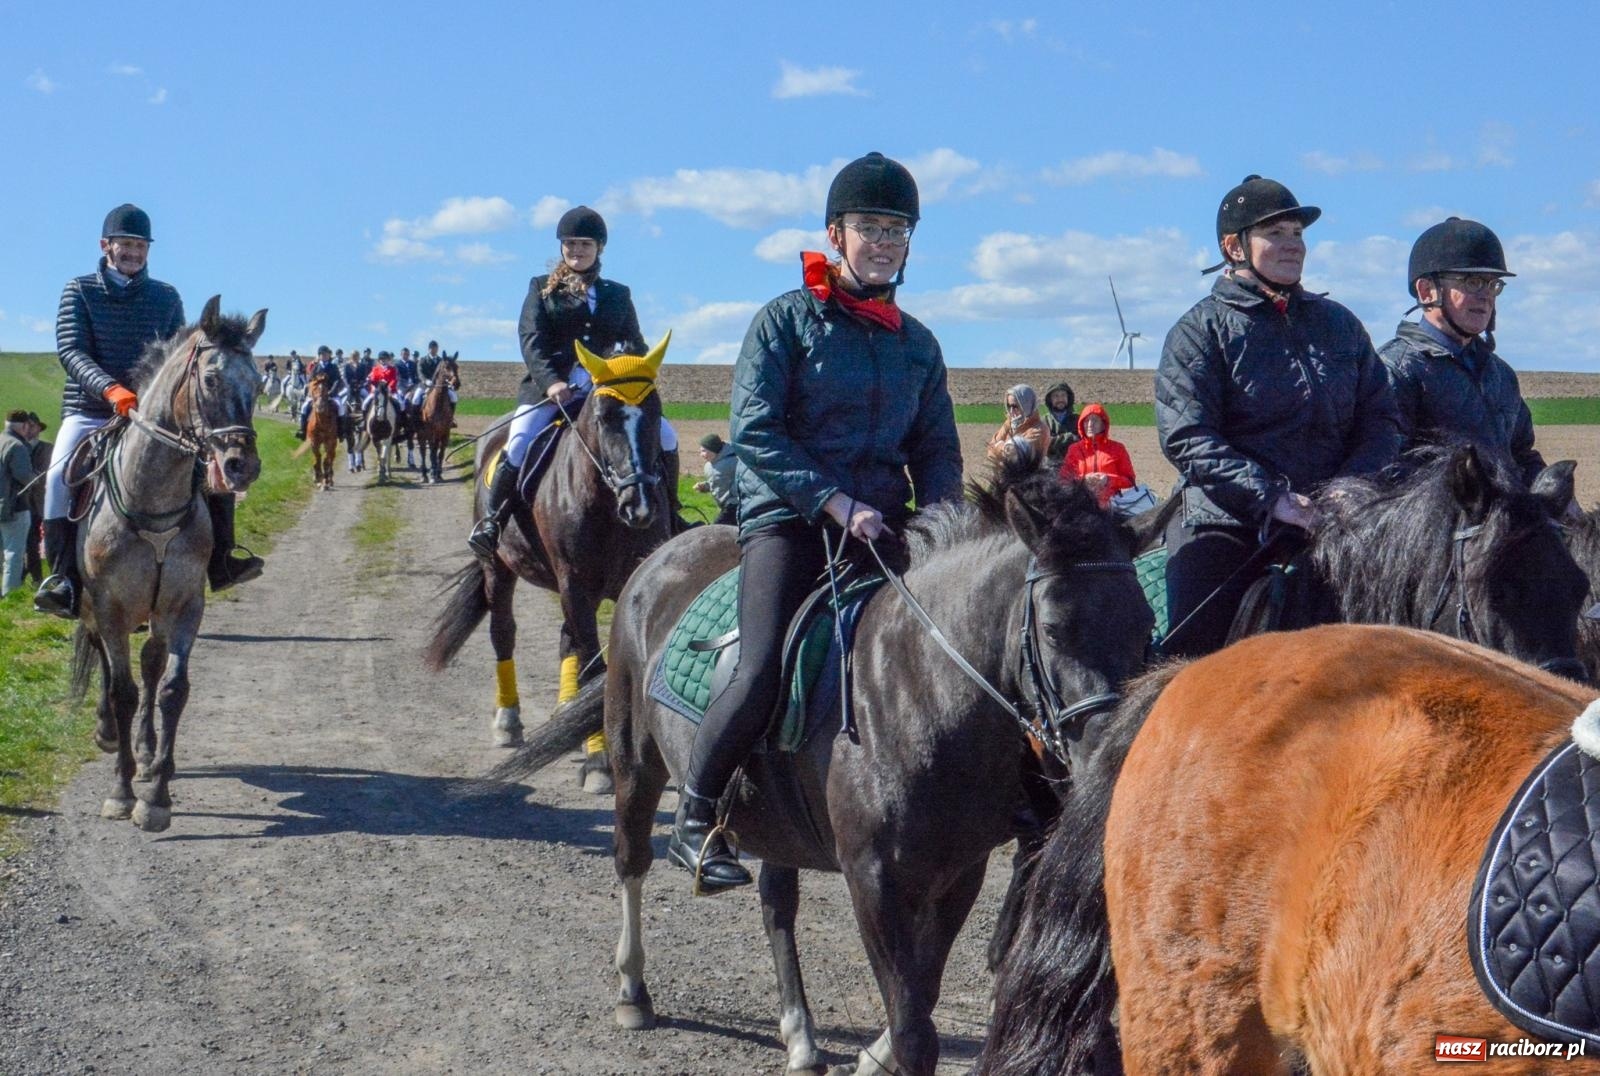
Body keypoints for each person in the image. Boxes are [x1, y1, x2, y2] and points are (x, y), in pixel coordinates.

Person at [668, 151, 964, 892]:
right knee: (763, 662)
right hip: (789, 520)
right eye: (871, 226)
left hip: (880, 526)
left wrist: (944, 528)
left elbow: (936, 451)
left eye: (898, 228)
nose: (886, 240)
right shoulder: (785, 322)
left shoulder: (919, 345)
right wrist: (832, 502)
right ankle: (697, 816)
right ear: (836, 233)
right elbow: (757, 429)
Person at [1155, 175, 1400, 659]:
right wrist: (1271, 498)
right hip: (1227, 520)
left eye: (1298, 234)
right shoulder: (1197, 330)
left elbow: (1382, 418)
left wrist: (1349, 489)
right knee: (1188, 654)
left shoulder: (1341, 325)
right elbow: (1188, 435)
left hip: (1337, 517)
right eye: (1277, 233)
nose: (1294, 246)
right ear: (1234, 246)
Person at [35, 204, 263, 618]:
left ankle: (223, 561)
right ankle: (64, 580)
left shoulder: (166, 296)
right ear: (106, 246)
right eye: (126, 244)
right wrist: (110, 390)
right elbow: (71, 350)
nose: (133, 253)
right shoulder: (79, 290)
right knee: (56, 478)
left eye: (140, 246)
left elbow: (179, 357)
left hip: (155, 417)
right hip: (91, 409)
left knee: (207, 472)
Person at [468, 205, 688, 556]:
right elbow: (531, 340)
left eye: (584, 244)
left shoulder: (618, 294)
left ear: (599, 247)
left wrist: (623, 365)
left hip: (604, 391)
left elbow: (635, 343)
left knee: (666, 435)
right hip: (552, 390)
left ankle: (672, 512)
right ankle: (492, 521)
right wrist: (552, 382)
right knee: (521, 438)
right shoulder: (542, 289)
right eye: (569, 244)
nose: (576, 250)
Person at [1379, 218, 1545, 488]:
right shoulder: (1394, 369)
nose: (1486, 296)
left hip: (1504, 524)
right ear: (1426, 290)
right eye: (1472, 282)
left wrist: (1557, 496)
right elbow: (1386, 472)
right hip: (1441, 525)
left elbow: (1522, 456)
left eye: (1493, 284)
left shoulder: (1500, 374)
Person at [1059, 403, 1136, 508]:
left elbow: (1130, 480)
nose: (1090, 424)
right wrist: (1083, 480)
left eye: (1095, 420)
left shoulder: (1118, 448)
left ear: (1103, 424)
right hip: (1081, 506)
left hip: (1111, 506)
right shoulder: (1074, 449)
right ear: (1081, 424)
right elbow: (1064, 479)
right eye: (1086, 421)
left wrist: (1108, 480)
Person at [0, 410, 37, 596]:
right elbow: (24, 477)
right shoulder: (17, 446)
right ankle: (10, 595)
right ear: (23, 426)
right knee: (14, 554)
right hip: (15, 507)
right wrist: (38, 478)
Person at [985, 384, 1051, 469]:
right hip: (1004, 477)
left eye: (1015, 406)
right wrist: (1004, 448)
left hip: (1028, 479)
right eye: (1009, 406)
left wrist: (999, 446)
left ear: (1026, 405)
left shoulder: (1039, 430)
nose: (1011, 411)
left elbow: (1015, 455)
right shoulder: (1009, 423)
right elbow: (990, 452)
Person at [23, 413, 51, 584]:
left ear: (39, 429)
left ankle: (33, 576)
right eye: (26, 426)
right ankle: (35, 578)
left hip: (43, 502)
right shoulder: (18, 447)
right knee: (30, 542)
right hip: (25, 503)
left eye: (32, 426)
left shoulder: (48, 449)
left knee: (34, 541)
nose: (29, 429)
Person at [297, 345, 348, 438]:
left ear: (329, 355)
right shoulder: (315, 367)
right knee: (304, 407)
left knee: (341, 408)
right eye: (323, 354)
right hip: (317, 395)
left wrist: (331, 392)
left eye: (327, 354)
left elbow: (337, 380)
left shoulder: (333, 367)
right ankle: (302, 430)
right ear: (319, 356)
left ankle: (341, 432)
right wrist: (315, 393)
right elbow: (311, 381)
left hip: (331, 394)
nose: (325, 356)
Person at [693, 432, 738, 526]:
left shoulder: (732, 462)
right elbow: (719, 482)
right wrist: (705, 486)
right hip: (726, 505)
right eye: (701, 451)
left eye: (704, 451)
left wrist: (734, 495)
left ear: (713, 450)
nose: (701, 454)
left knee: (717, 528)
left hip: (734, 505)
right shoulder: (712, 464)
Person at [1040, 380, 1078, 469]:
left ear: (1068, 398)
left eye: (1063, 395)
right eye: (1056, 396)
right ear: (1050, 399)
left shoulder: (1078, 419)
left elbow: (1081, 442)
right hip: (1050, 467)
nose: (1060, 399)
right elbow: (1045, 445)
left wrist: (1055, 439)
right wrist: (1071, 437)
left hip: (1074, 466)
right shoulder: (1044, 421)